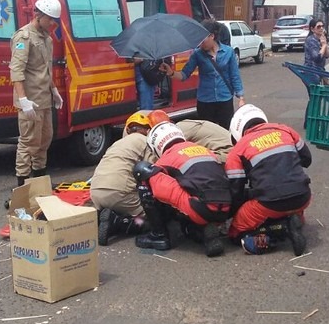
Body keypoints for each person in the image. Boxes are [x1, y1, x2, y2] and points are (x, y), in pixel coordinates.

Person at [0, 0, 64, 239]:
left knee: (44, 141)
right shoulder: (24, 37)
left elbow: (45, 70)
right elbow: (16, 71)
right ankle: (22, 193)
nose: (53, 24)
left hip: (44, 99)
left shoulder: (46, 38)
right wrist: (23, 100)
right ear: (39, 15)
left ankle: (39, 186)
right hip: (30, 102)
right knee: (27, 144)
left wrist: (54, 91)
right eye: (51, 19)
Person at [134, 122, 231, 257]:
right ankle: (200, 230)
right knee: (188, 187)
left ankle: (159, 235)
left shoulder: (167, 157)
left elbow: (160, 190)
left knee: (145, 172)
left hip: (200, 207)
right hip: (226, 208)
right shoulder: (203, 149)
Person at [225, 105, 311, 255]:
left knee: (235, 234)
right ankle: (293, 220)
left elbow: (236, 189)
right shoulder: (286, 131)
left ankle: (274, 236)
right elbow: (307, 160)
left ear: (237, 130)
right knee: (284, 208)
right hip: (303, 196)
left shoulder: (239, 148)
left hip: (270, 202)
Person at [91, 111, 155, 246]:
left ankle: (101, 216)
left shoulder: (117, 143)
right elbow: (152, 171)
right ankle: (120, 222)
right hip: (120, 193)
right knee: (151, 220)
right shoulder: (146, 142)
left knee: (119, 202)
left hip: (95, 192)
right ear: (148, 130)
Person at [165, 20, 243, 129]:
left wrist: (241, 97)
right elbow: (184, 75)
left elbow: (234, 75)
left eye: (202, 40)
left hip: (224, 99)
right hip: (205, 101)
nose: (200, 44)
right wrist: (171, 72)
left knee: (227, 131)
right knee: (207, 133)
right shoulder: (197, 54)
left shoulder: (229, 52)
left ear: (212, 36)